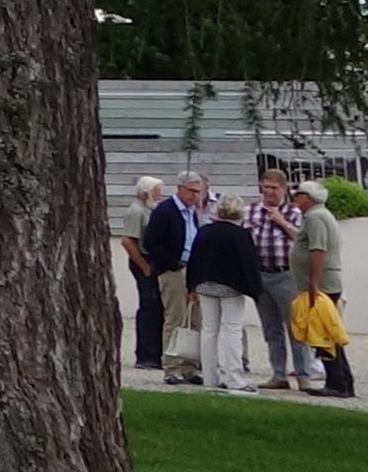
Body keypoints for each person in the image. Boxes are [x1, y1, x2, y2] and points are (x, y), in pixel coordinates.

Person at [183, 171, 267, 389]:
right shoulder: (240, 235)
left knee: (209, 331)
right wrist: (255, 290)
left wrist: (191, 286)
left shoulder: (205, 231)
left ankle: (210, 378)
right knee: (233, 331)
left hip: (205, 285)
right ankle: (235, 379)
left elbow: (195, 259)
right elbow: (249, 264)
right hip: (231, 287)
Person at [291, 174, 354, 396]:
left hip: (322, 285)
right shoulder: (319, 216)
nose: (295, 199)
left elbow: (319, 251)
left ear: (308, 197)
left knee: (324, 335)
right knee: (328, 333)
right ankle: (342, 380)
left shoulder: (316, 218)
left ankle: (337, 383)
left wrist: (313, 283)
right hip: (324, 283)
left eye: (298, 195)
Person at [242, 167, 303, 395]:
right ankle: (278, 374)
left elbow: (301, 239)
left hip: (286, 274)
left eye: (274, 188)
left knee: (295, 328)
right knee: (271, 329)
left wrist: (281, 221)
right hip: (262, 274)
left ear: (284, 189)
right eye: (265, 187)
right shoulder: (251, 211)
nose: (269, 192)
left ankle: (303, 374)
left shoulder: (294, 212)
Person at [130, 178, 194, 378]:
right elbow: (134, 241)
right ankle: (161, 361)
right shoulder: (148, 211)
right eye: (157, 191)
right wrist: (148, 265)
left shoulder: (189, 212)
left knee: (186, 316)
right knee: (163, 312)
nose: (160, 194)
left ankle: (187, 364)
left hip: (182, 266)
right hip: (163, 266)